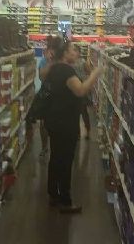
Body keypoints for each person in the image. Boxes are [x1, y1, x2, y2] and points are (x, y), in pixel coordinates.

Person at [43, 37, 103, 213]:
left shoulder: (54, 69)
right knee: (66, 160)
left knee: (55, 158)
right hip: (65, 122)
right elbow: (81, 90)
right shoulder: (66, 71)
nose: (76, 53)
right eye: (73, 50)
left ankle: (53, 195)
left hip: (53, 119)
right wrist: (95, 74)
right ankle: (65, 200)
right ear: (64, 53)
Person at [37, 36, 56, 157]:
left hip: (58, 95)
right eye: (50, 50)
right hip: (46, 95)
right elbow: (41, 77)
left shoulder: (61, 61)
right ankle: (44, 147)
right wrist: (50, 63)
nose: (52, 53)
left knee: (56, 124)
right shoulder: (44, 62)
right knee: (43, 124)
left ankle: (55, 146)